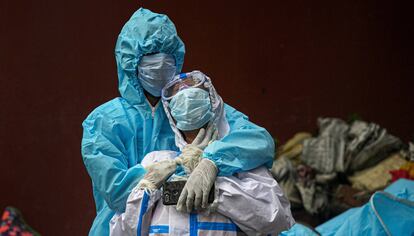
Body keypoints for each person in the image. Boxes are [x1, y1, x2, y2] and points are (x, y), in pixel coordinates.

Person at [81, 9, 275, 236]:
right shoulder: (103, 121)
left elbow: (258, 141)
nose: (161, 63)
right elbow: (117, 192)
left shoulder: (190, 104)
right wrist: (167, 171)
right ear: (129, 62)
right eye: (151, 56)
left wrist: (212, 163)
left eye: (168, 56)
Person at [109, 71, 295, 235]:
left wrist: (215, 191)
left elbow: (277, 219)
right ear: (171, 113)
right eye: (176, 92)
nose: (183, 89)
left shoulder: (240, 162)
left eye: (191, 86)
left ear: (212, 102)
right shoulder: (157, 160)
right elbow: (121, 232)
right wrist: (146, 190)